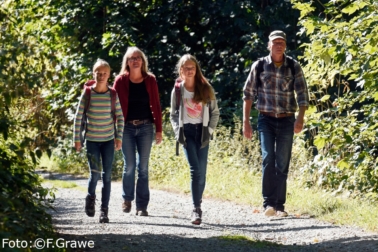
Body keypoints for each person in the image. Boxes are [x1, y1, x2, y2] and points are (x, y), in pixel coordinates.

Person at [242, 30, 309, 217]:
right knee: (267, 158)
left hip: (287, 120)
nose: (278, 45)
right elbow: (248, 95)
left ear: (285, 45)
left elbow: (303, 95)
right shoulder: (260, 66)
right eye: (275, 42)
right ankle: (268, 203)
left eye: (281, 42)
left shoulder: (293, 66)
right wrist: (245, 122)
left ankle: (280, 206)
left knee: (282, 162)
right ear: (269, 45)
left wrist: (300, 118)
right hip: (266, 119)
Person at [170, 54, 220, 225]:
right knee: (195, 170)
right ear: (181, 70)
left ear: (196, 69)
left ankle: (197, 204)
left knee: (202, 173)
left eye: (192, 68)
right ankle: (196, 209)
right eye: (186, 68)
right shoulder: (178, 90)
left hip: (203, 132)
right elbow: (173, 115)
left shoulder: (206, 88)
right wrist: (178, 132)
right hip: (187, 133)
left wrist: (210, 130)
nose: (189, 71)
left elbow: (215, 112)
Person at [113, 47, 162, 217]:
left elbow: (156, 104)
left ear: (143, 61)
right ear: (127, 62)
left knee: (143, 168)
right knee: (130, 166)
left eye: (138, 58)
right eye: (132, 58)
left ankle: (142, 206)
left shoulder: (150, 80)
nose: (135, 60)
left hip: (145, 127)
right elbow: (114, 108)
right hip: (125, 128)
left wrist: (159, 130)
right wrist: (115, 133)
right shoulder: (120, 81)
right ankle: (127, 198)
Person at [73, 59, 124, 223]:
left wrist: (119, 138)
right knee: (94, 174)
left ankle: (104, 211)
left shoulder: (112, 94)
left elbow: (120, 118)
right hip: (92, 141)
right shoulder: (87, 94)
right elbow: (78, 117)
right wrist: (77, 140)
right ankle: (90, 197)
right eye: (98, 73)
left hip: (108, 140)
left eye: (104, 73)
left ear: (109, 75)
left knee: (107, 176)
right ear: (93, 74)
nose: (101, 76)